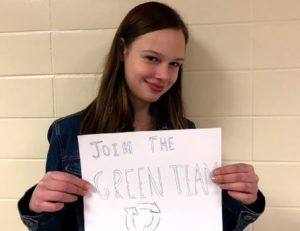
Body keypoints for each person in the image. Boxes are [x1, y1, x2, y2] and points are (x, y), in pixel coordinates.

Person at [18, 2, 265, 230]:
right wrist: (38, 206)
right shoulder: (68, 133)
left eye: (175, 64)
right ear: (123, 51)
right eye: (152, 58)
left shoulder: (187, 135)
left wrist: (244, 199)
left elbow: (208, 224)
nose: (164, 76)